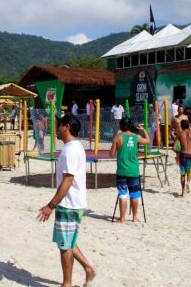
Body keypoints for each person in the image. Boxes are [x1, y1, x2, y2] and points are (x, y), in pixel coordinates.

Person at [37, 114, 96, 286]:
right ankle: (88, 268)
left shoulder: (70, 150)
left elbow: (68, 180)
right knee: (68, 242)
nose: (56, 127)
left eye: (59, 124)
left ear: (67, 127)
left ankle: (67, 284)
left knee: (64, 247)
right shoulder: (75, 146)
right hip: (72, 203)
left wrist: (51, 205)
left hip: (69, 204)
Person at [109, 118, 150, 223]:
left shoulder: (118, 137)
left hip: (122, 171)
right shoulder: (136, 137)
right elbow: (148, 141)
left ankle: (122, 218)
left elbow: (111, 155)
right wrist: (144, 130)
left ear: (121, 126)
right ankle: (135, 217)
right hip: (134, 171)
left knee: (123, 194)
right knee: (134, 194)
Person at [172, 120, 191, 197]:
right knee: (190, 172)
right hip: (190, 155)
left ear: (181, 126)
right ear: (188, 126)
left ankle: (183, 192)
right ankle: (188, 183)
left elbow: (173, 148)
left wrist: (178, 153)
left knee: (182, 174)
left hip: (182, 155)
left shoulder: (179, 134)